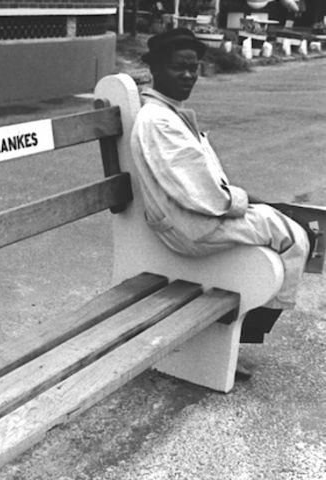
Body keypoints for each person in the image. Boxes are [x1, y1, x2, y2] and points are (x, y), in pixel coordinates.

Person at [130, 28, 310, 373]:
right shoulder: (159, 122)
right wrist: (245, 202)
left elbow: (203, 187)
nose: (188, 75)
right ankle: (237, 335)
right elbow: (204, 195)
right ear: (155, 68)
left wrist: (250, 202)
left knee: (286, 226)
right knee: (294, 236)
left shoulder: (169, 113)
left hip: (193, 217)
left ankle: (233, 334)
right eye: (178, 67)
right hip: (191, 227)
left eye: (193, 68)